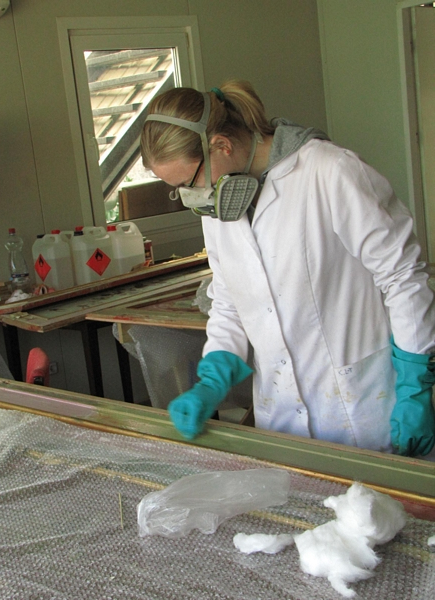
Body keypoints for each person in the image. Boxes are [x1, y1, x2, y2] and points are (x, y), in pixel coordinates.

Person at [140, 80, 435, 457]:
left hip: (364, 407)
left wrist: (414, 386)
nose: (193, 196)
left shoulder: (328, 171)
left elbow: (403, 278)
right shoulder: (218, 204)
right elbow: (229, 303)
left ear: (221, 146)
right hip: (281, 416)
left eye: (189, 182)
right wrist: (211, 382)